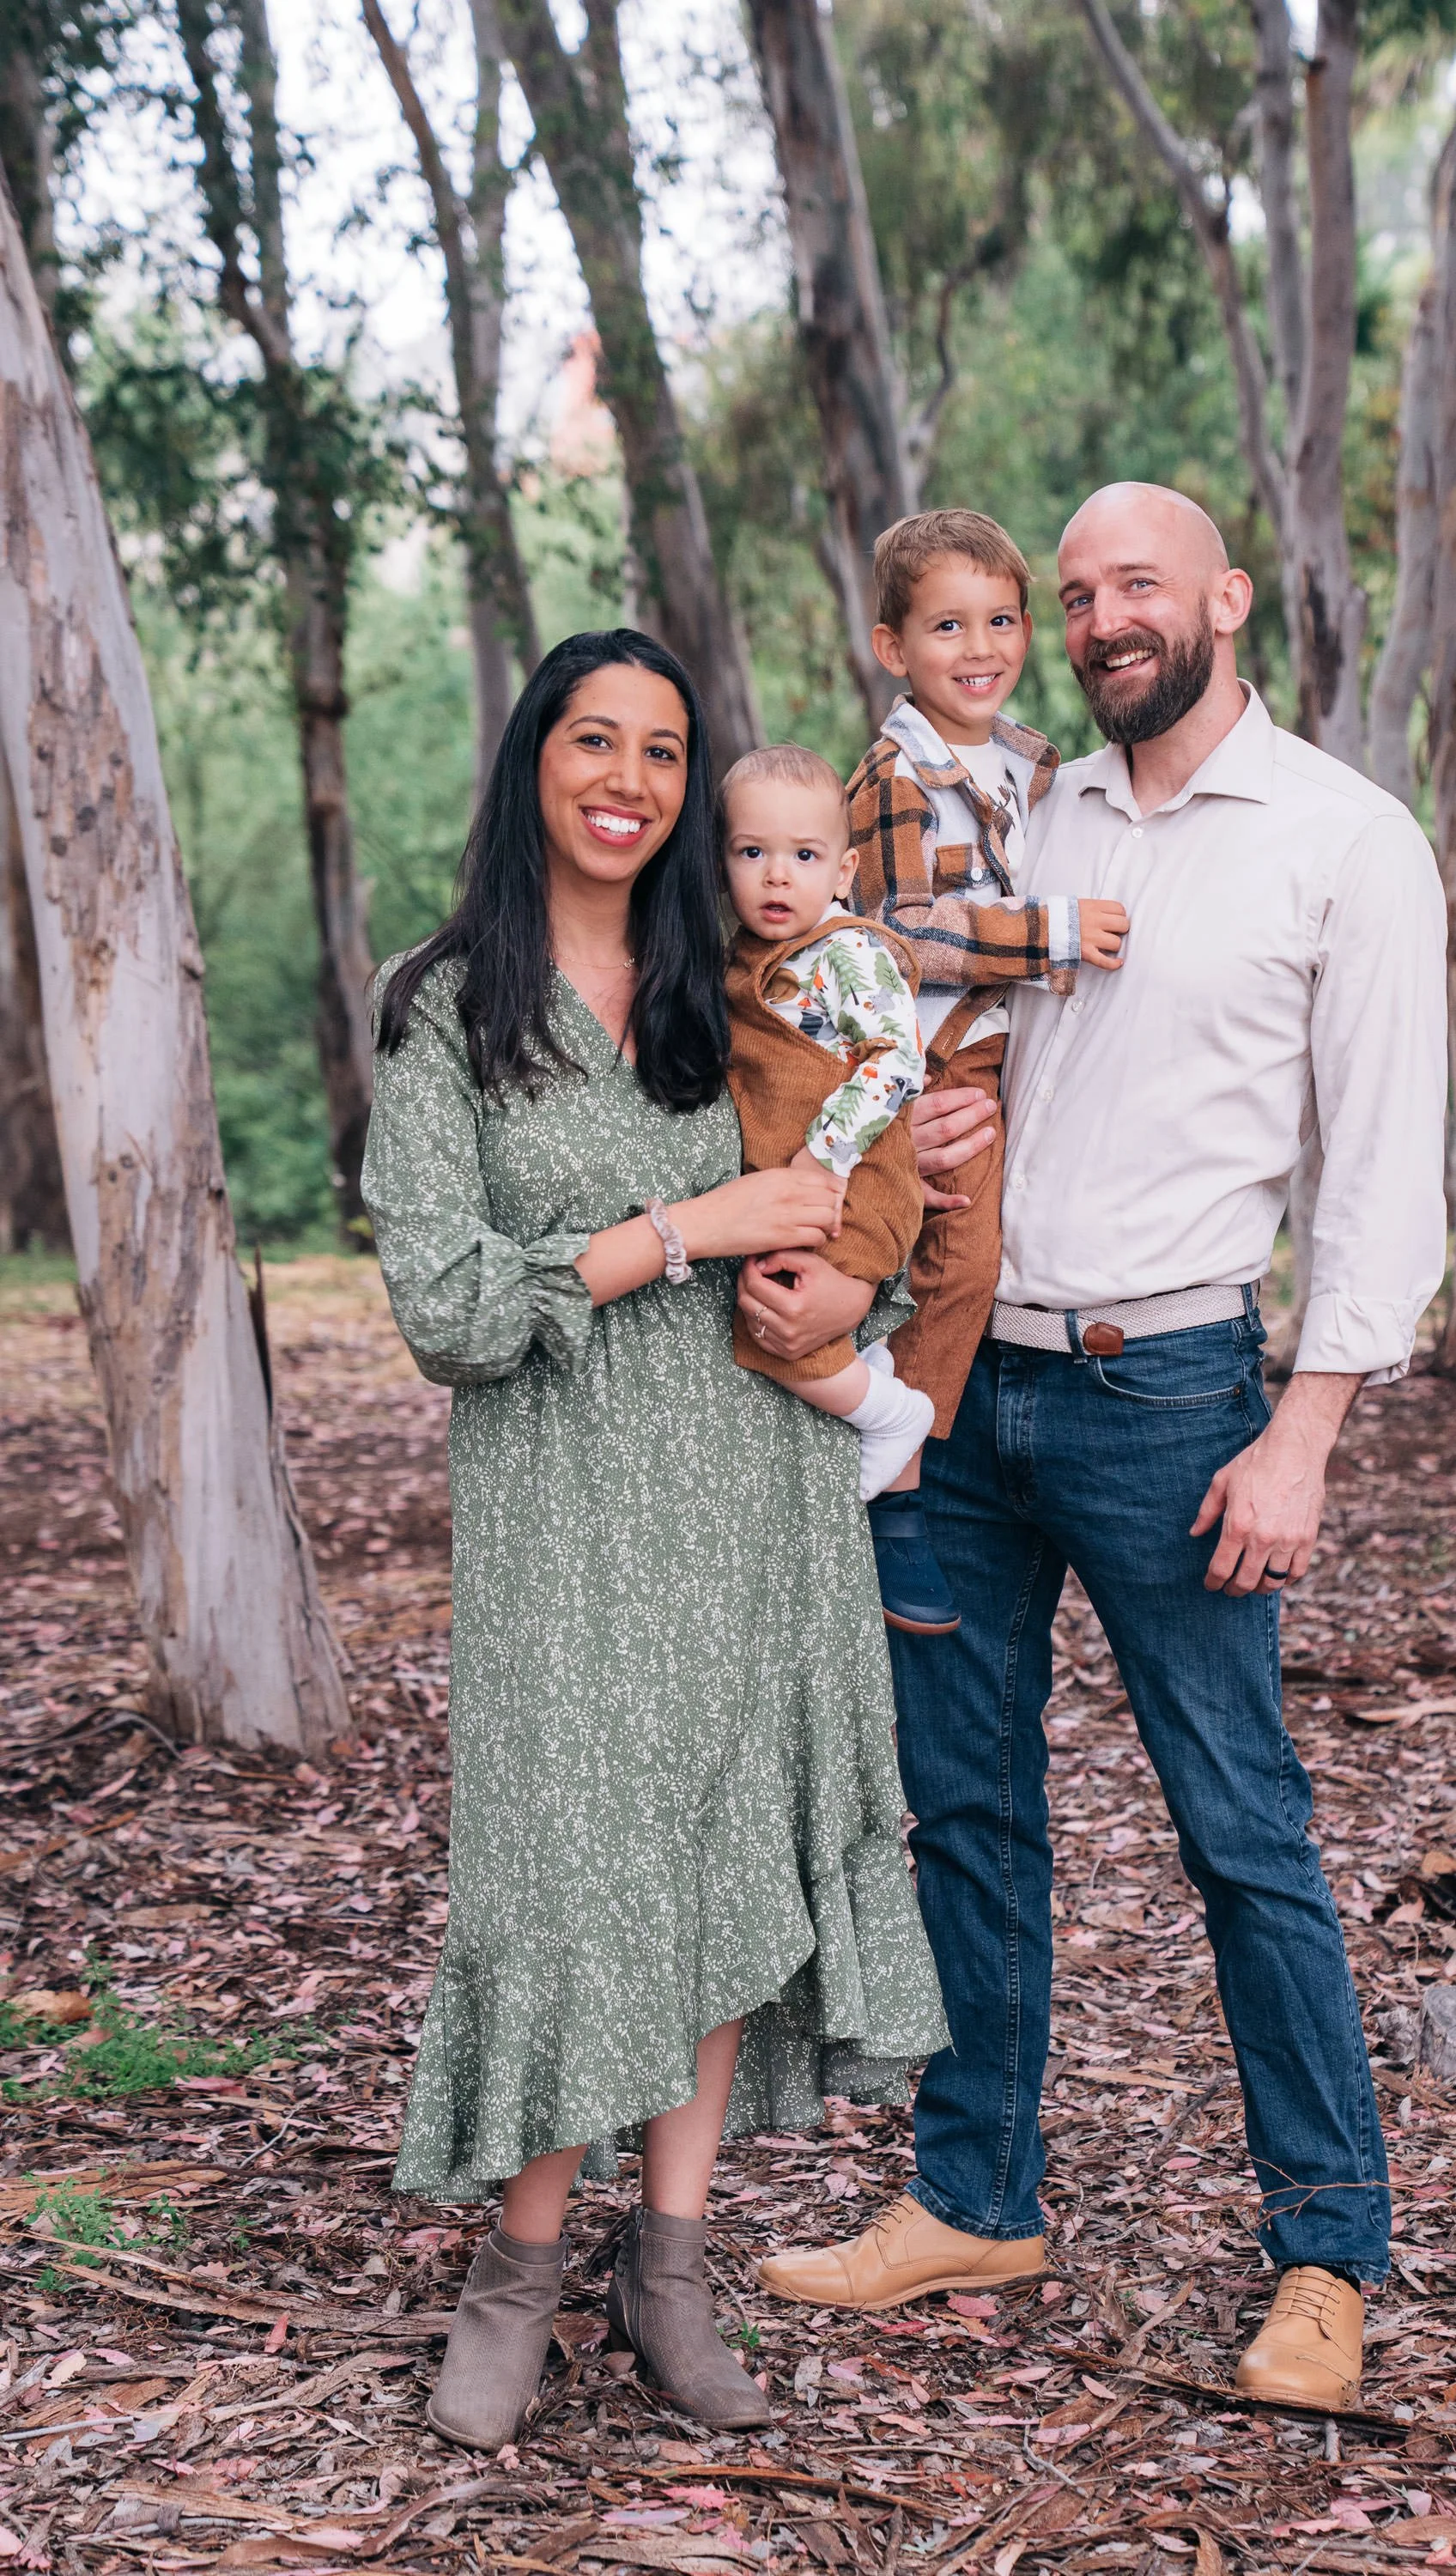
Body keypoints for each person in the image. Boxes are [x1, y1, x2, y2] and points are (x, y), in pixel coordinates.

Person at [749, 485, 1449, 2413]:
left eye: (1135, 584)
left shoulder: (1340, 840)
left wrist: (1304, 1431)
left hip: (1174, 1399)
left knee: (1244, 1832)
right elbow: (954, 1038)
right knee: (962, 1816)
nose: (1097, 617)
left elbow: (1387, 1164)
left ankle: (1325, 2247)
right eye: (1072, 596)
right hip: (968, 1390)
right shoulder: (1025, 807)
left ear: (1225, 597)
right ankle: (975, 2193)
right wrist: (934, 1146)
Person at [363, 630, 947, 2447]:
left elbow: (869, 1184)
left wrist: (896, 1196)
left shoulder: (749, 988)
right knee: (561, 1879)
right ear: (535, 757)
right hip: (561, 1509)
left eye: (666, 753)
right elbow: (447, 1307)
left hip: (750, 1489)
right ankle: (515, 2279)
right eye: (594, 741)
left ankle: (670, 2267)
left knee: (716, 1871)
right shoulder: (446, 1003)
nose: (629, 778)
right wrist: (676, 1230)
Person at [844, 509, 1131, 1635]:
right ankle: (898, 1495)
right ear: (891, 648)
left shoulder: (1020, 762)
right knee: (952, 1264)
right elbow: (899, 928)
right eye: (946, 625)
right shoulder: (891, 778)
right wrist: (1049, 934)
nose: (979, 646)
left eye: (1001, 619)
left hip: (993, 1040)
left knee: (939, 1257)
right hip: (928, 1044)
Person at [721, 743, 933, 1498]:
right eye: (753, 851)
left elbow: (896, 1062)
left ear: (843, 872)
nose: (777, 874)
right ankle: (870, 1394)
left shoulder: (847, 952)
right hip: (793, 1183)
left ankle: (890, 1417)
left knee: (779, 1317)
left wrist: (824, 1155)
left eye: (804, 854)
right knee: (794, 1308)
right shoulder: (741, 960)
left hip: (856, 1176)